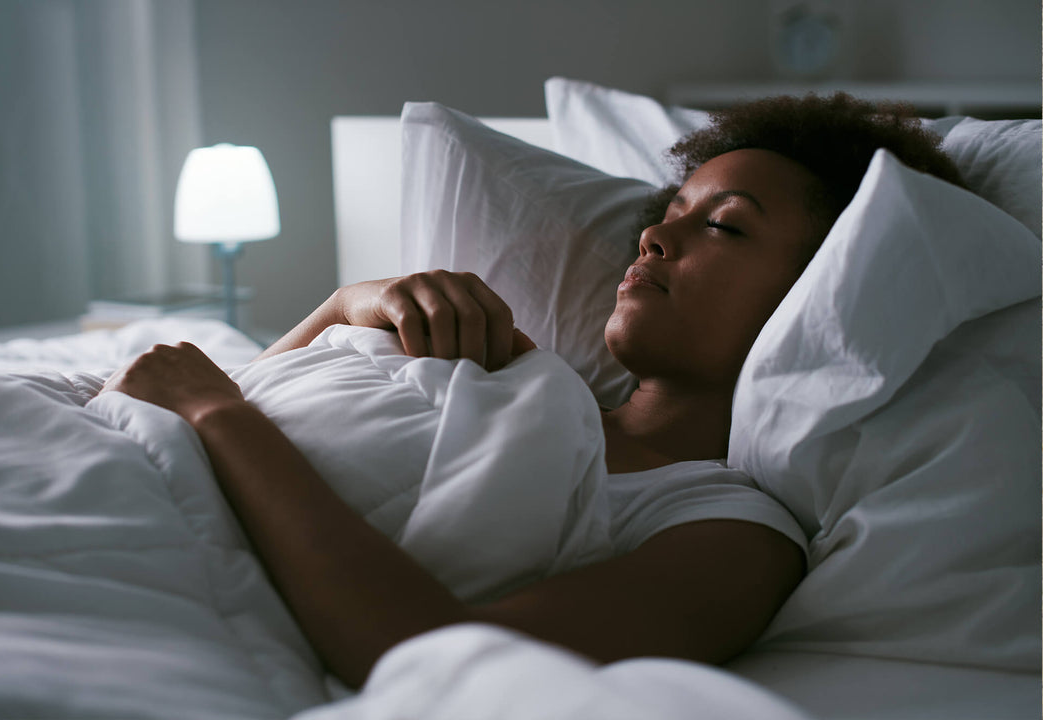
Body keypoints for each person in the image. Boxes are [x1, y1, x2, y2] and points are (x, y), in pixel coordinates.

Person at [101, 93, 965, 689]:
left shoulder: (733, 535)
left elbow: (429, 656)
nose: (656, 236)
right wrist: (346, 304)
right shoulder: (502, 360)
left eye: (723, 225)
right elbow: (209, 386)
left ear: (826, 293)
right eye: (667, 214)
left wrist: (220, 416)